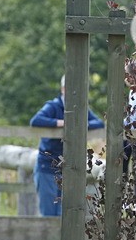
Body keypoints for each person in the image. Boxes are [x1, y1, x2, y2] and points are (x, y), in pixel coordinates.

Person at [30, 76, 104, 217]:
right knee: (49, 214)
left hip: (69, 168)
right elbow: (36, 121)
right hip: (48, 167)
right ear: (63, 89)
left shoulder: (81, 108)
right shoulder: (53, 106)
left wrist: (82, 124)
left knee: (65, 214)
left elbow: (99, 123)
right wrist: (62, 123)